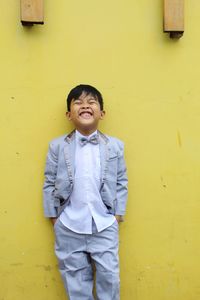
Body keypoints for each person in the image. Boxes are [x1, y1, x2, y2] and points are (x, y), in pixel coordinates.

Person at [43, 84, 128, 300]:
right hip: (69, 225)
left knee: (110, 279)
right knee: (76, 283)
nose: (85, 106)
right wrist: (54, 218)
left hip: (104, 223)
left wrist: (117, 216)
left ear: (102, 112)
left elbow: (121, 181)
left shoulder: (115, 146)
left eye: (91, 102)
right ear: (69, 114)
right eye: (78, 103)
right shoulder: (57, 146)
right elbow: (49, 181)